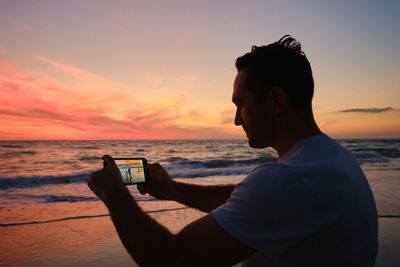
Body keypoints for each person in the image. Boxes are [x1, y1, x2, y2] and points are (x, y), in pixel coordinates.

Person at [87, 35, 378, 267]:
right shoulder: (333, 160)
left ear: (275, 100)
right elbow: (246, 202)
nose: (237, 119)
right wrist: (173, 189)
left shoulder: (291, 180)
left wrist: (115, 195)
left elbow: (171, 259)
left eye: (240, 104)